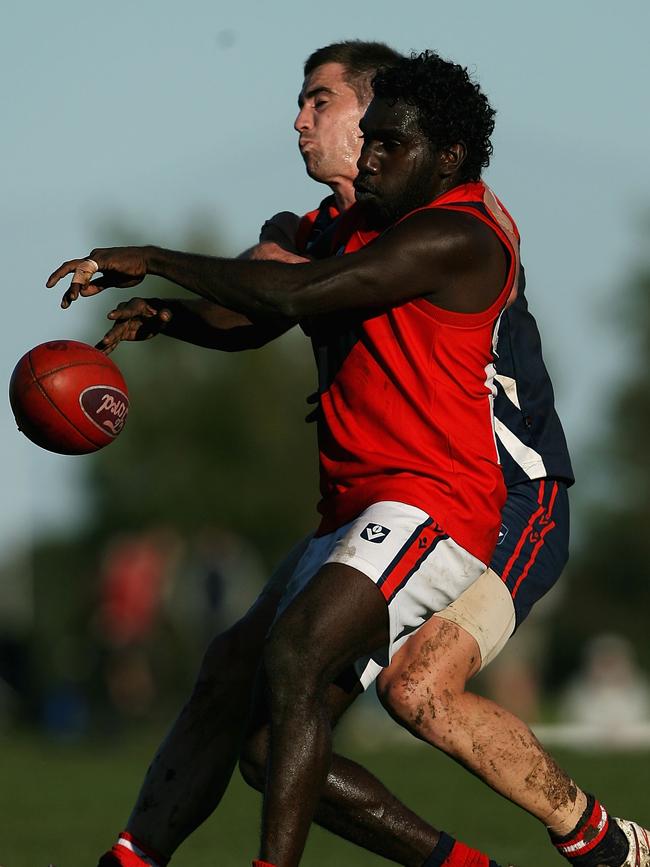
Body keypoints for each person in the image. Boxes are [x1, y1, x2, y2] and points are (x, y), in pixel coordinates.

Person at [46, 45, 649, 867]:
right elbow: (267, 307)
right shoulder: (342, 225)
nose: (303, 122)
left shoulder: (454, 231)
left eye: (320, 102)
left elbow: (295, 293)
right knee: (251, 708)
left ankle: (602, 841)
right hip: (367, 504)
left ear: (405, 132)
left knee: (406, 685)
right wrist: (168, 315)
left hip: (499, 492)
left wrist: (155, 259)